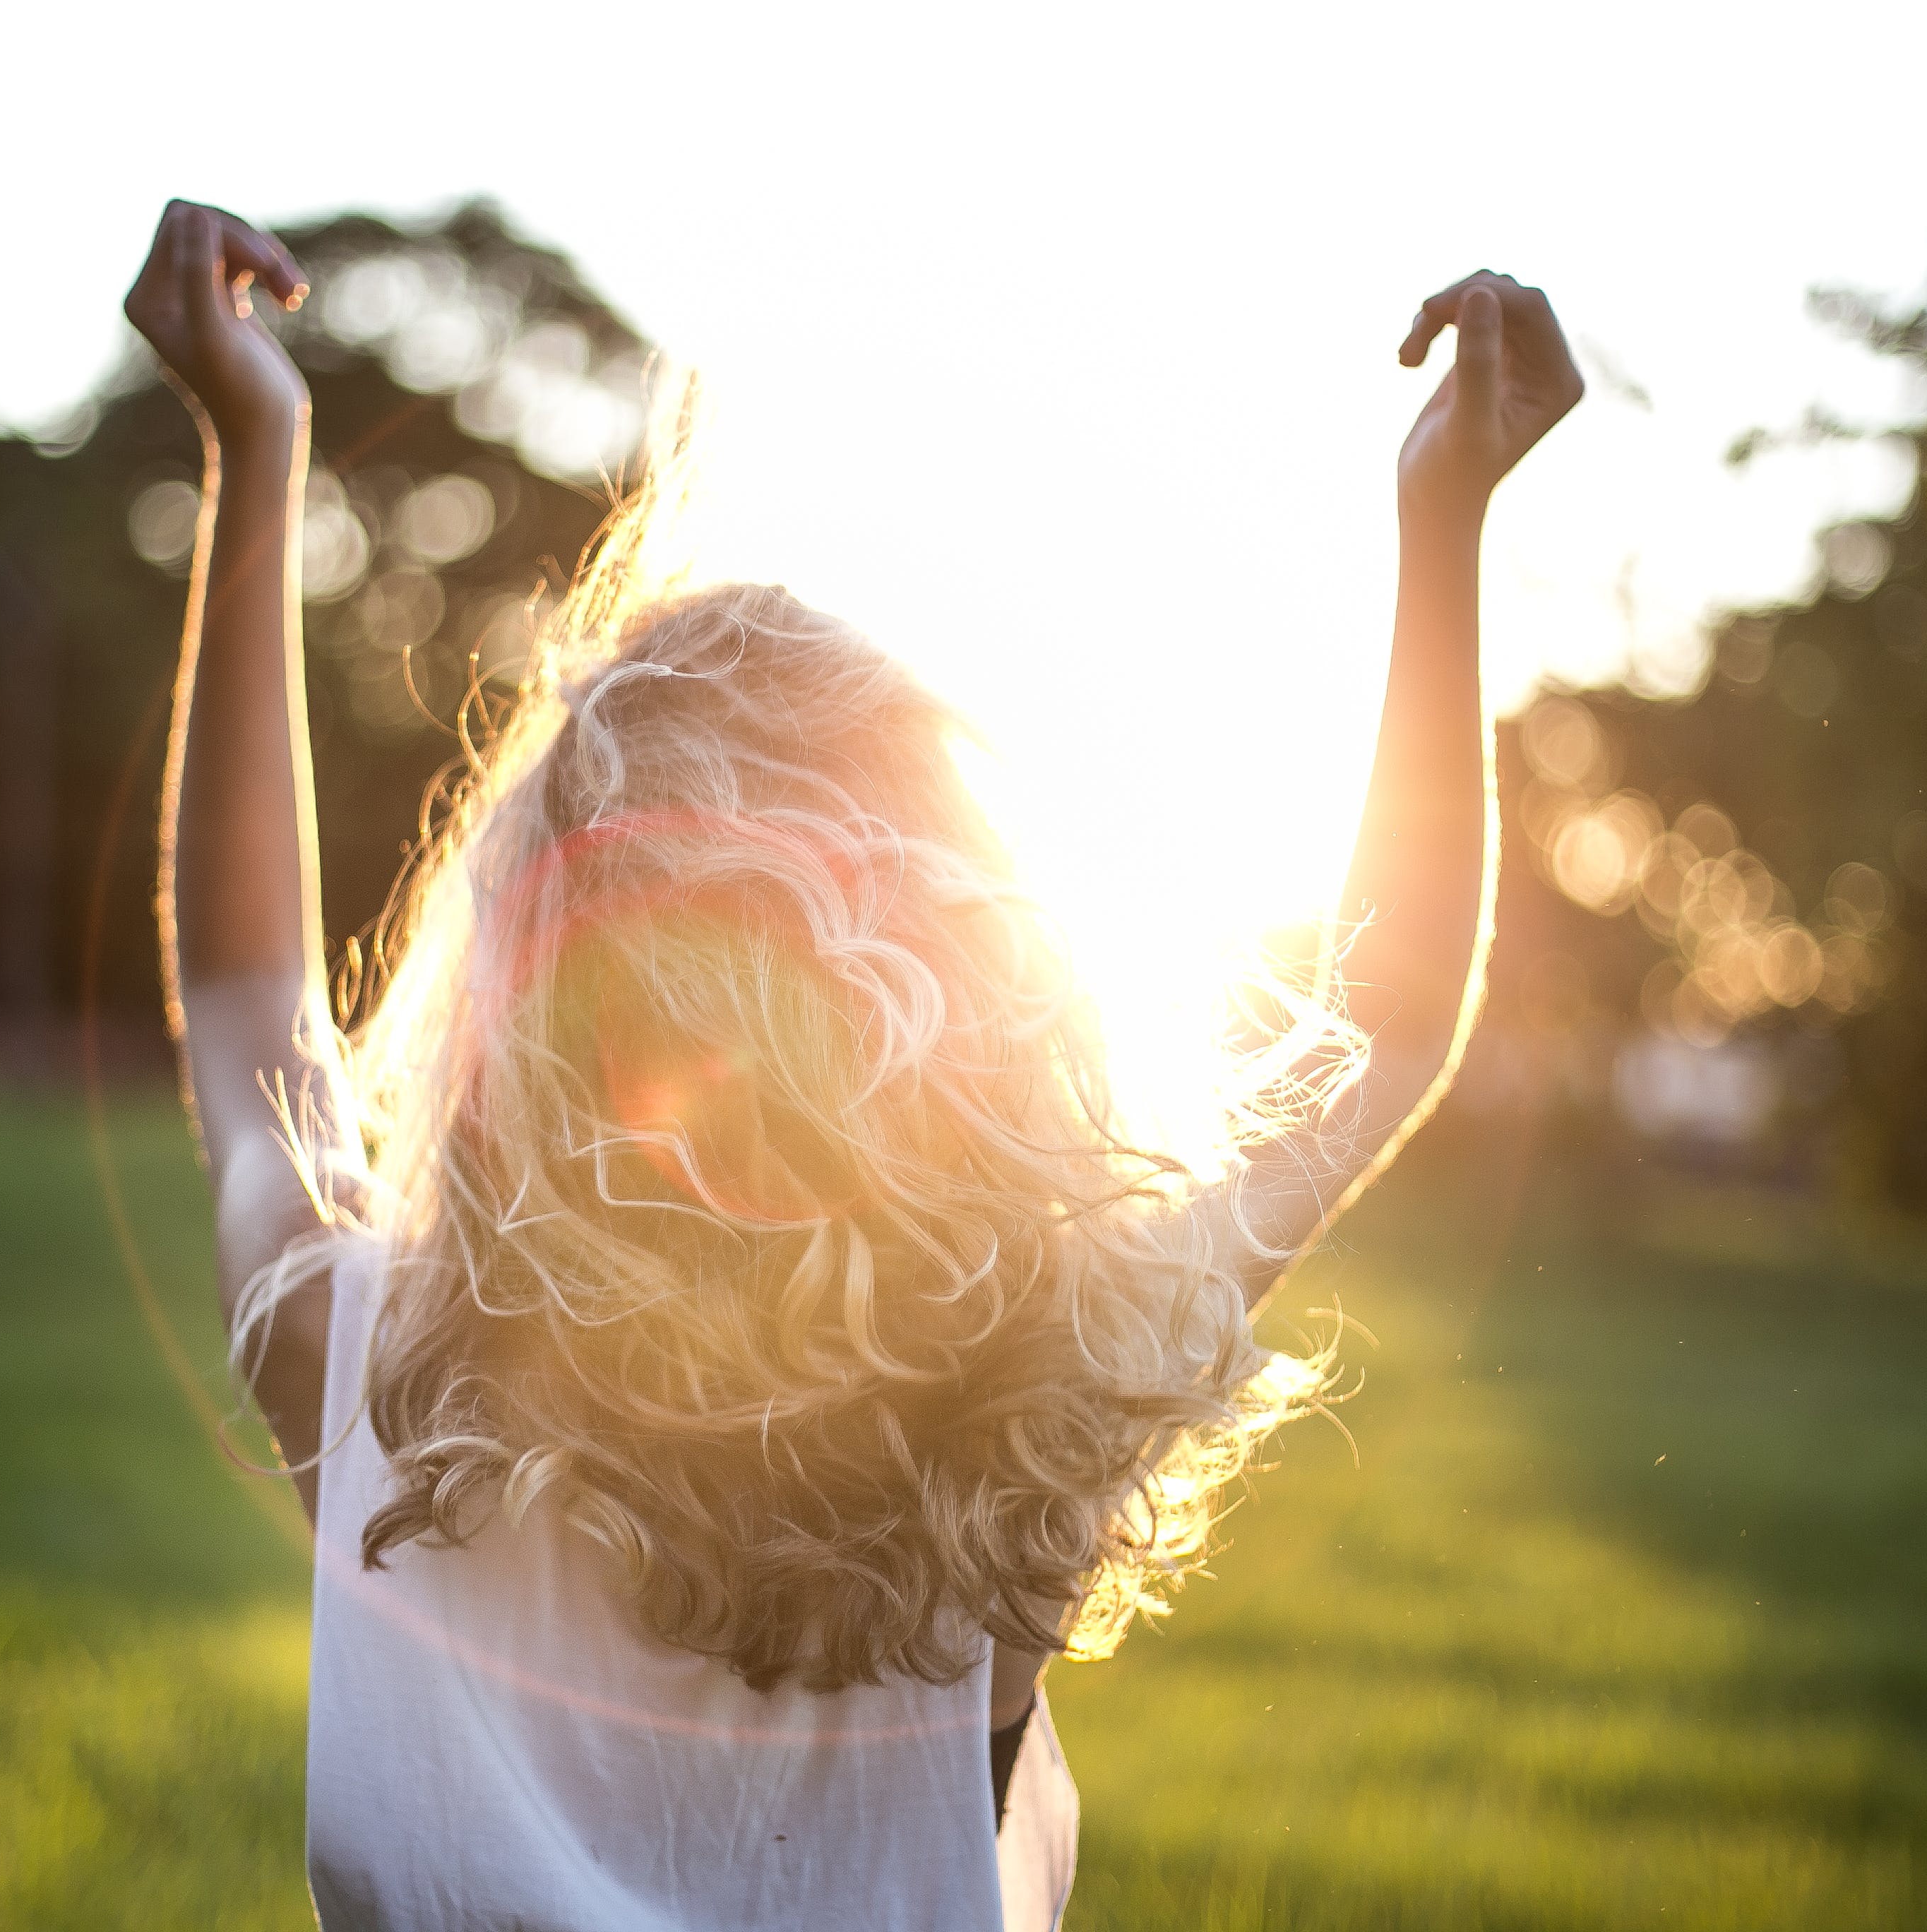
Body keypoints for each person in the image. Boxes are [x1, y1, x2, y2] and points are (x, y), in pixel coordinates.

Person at [124, 198, 1580, 1931]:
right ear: (957, 987)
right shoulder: (1033, 1407)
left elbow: (249, 1003)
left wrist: (256, 445)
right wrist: (1446, 520)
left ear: (526, 997)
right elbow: (1384, 1016)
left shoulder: (369, 1372)